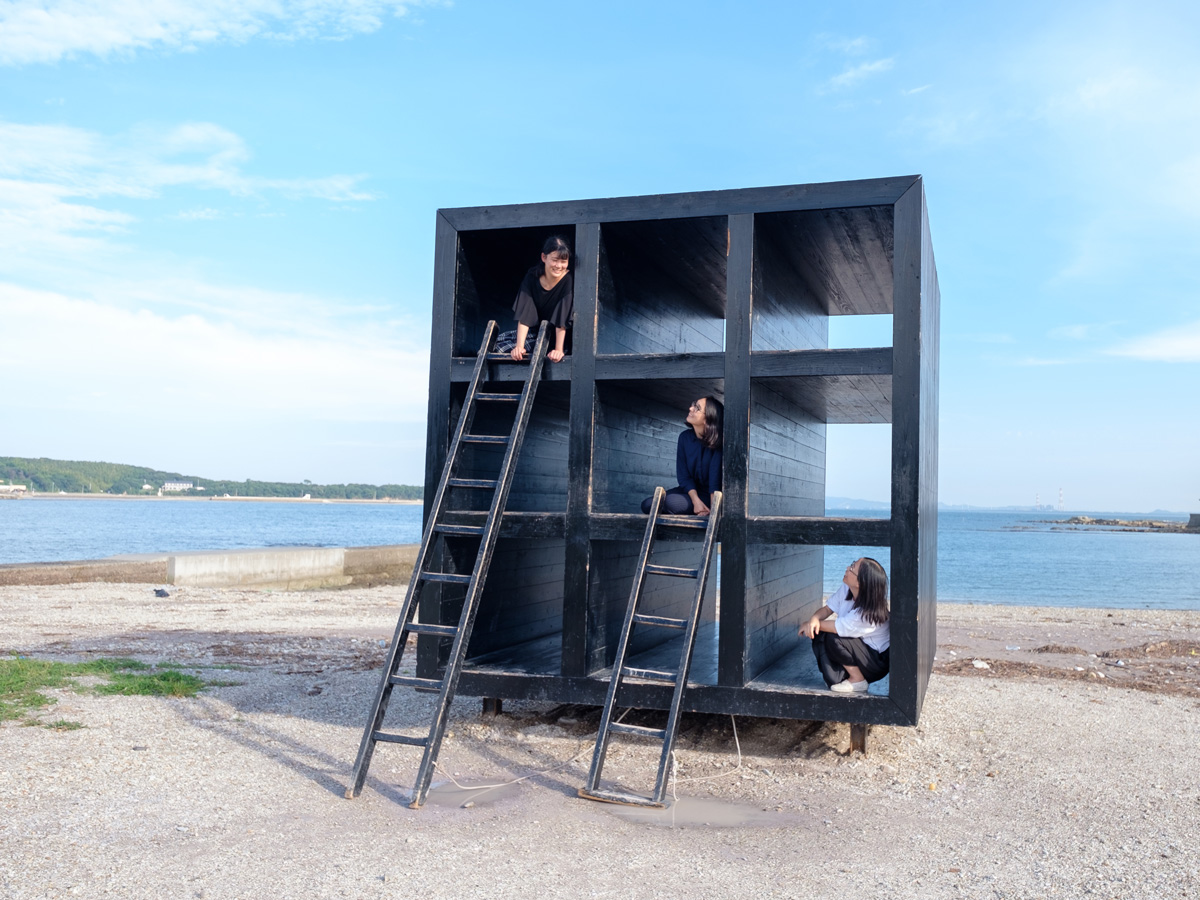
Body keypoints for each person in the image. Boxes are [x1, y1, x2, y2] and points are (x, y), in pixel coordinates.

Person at [801, 557, 890, 693]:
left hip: (874, 661)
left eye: (852, 568)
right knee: (820, 633)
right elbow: (828, 609)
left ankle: (858, 679)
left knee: (833, 637)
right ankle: (843, 676)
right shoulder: (847, 588)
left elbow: (836, 627)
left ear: (860, 582)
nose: (847, 568)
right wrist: (814, 619)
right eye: (851, 564)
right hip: (858, 649)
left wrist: (809, 624)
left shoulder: (867, 614)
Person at [640, 396, 723, 516]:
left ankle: (701, 509)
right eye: (693, 404)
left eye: (697, 408)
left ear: (708, 418)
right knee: (648, 504)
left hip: (710, 495)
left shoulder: (718, 441)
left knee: (669, 503)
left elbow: (714, 480)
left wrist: (714, 511)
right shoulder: (684, 437)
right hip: (691, 492)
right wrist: (696, 501)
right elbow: (683, 475)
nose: (690, 408)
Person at [495, 235, 573, 363]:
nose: (559, 266)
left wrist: (558, 350)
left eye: (563, 261)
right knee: (497, 343)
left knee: (506, 348)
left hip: (558, 338)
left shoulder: (568, 280)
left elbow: (562, 318)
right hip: (537, 333)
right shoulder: (532, 277)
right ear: (544, 257)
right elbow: (525, 314)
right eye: (555, 260)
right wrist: (519, 347)